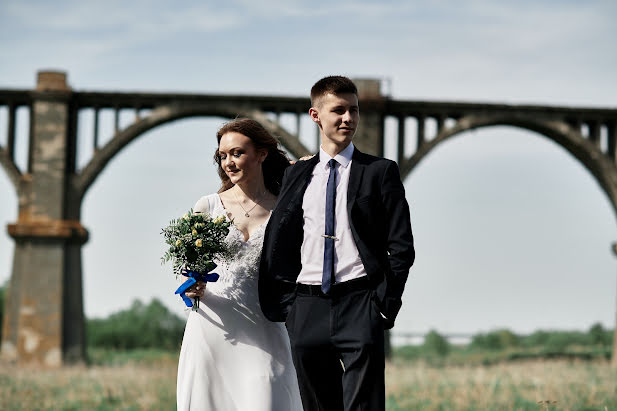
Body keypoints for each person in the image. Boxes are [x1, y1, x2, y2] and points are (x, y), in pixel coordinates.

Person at [259, 76, 415, 410]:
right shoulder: (296, 175)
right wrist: (289, 307)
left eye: (354, 111)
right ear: (315, 115)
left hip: (361, 302)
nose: (349, 118)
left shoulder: (380, 172)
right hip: (306, 305)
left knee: (364, 406)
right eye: (339, 110)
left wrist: (384, 305)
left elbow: (401, 245)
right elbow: (281, 238)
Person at [176, 118, 303, 411]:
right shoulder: (206, 206)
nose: (228, 162)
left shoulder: (284, 209)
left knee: (268, 394)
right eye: (222, 156)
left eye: (237, 153)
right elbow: (190, 265)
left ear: (262, 154)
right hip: (212, 326)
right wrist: (191, 287)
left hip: (265, 324)